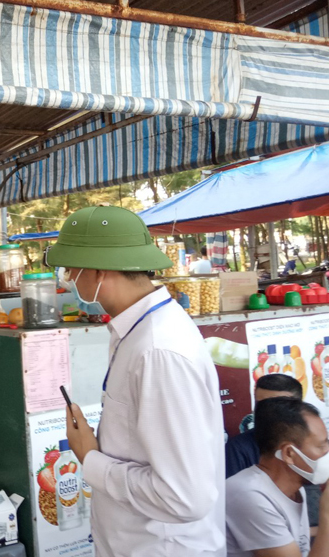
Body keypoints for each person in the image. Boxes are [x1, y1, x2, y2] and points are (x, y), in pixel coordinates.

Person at [49, 205, 225, 556]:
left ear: (99, 270)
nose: (66, 278)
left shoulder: (159, 351)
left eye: (70, 268)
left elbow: (184, 497)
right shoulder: (137, 329)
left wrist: (91, 458)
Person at [226, 397, 329, 556]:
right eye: (321, 446)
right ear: (289, 453)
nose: (327, 452)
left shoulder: (294, 488)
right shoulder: (250, 495)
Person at [226, 373, 303, 478]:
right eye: (260, 404)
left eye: (275, 406)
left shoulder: (311, 441)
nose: (265, 411)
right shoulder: (239, 449)